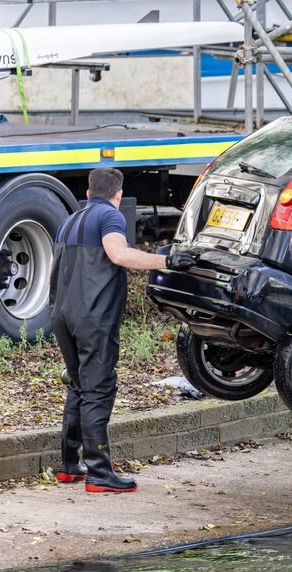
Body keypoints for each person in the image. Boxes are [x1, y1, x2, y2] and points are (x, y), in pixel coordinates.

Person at [51, 167, 197, 493]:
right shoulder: (110, 217)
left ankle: (69, 465)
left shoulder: (69, 220)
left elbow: (53, 269)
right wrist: (168, 262)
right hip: (94, 319)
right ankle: (99, 473)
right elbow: (119, 255)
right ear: (117, 195)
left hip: (62, 316)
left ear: (88, 192)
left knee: (78, 385)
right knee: (98, 389)